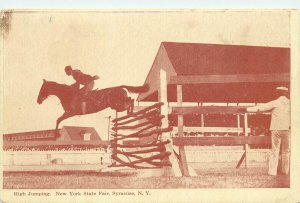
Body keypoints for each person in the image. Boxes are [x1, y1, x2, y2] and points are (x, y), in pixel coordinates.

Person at [246, 86, 290, 176]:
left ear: (278, 93)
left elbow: (262, 107)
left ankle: (272, 172)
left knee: (275, 150)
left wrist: (247, 109)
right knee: (286, 151)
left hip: (276, 129)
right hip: (287, 129)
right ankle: (285, 171)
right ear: (286, 93)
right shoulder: (290, 103)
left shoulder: (275, 102)